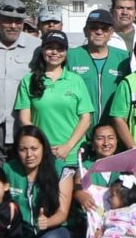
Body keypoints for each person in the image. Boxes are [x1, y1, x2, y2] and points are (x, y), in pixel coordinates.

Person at [3, 125, 77, 238]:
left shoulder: (60, 168)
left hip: (56, 231)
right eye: (23, 149)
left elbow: (63, 213)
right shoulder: (8, 169)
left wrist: (48, 222)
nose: (29, 155)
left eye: (34, 148)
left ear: (43, 147)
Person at [17, 32, 97, 167]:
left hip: (72, 154)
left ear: (66, 52)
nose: (55, 52)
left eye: (60, 49)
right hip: (41, 154)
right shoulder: (28, 80)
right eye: (50, 48)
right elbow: (24, 120)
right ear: (42, 50)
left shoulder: (76, 80)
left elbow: (86, 118)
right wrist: (43, 146)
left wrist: (68, 146)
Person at [67, 11, 132, 128]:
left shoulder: (124, 58)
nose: (99, 32)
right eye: (94, 28)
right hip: (78, 130)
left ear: (111, 33)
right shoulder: (71, 56)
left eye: (104, 29)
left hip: (113, 132)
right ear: (85, 31)